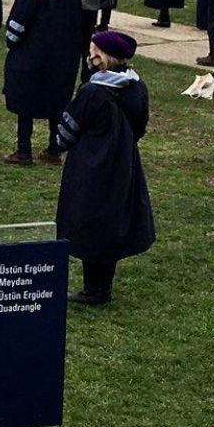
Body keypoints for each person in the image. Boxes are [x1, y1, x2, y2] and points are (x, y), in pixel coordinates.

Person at [51, 30, 154, 306]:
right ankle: (103, 286)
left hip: (90, 166)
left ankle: (92, 288)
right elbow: (141, 125)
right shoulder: (136, 88)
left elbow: (68, 130)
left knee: (89, 221)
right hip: (123, 163)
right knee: (112, 221)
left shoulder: (93, 92)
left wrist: (60, 144)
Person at [2, 0, 80, 163]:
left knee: (25, 102)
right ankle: (54, 149)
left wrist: (12, 42)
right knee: (57, 100)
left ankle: (23, 149)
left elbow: (17, 23)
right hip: (63, 55)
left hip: (32, 53)